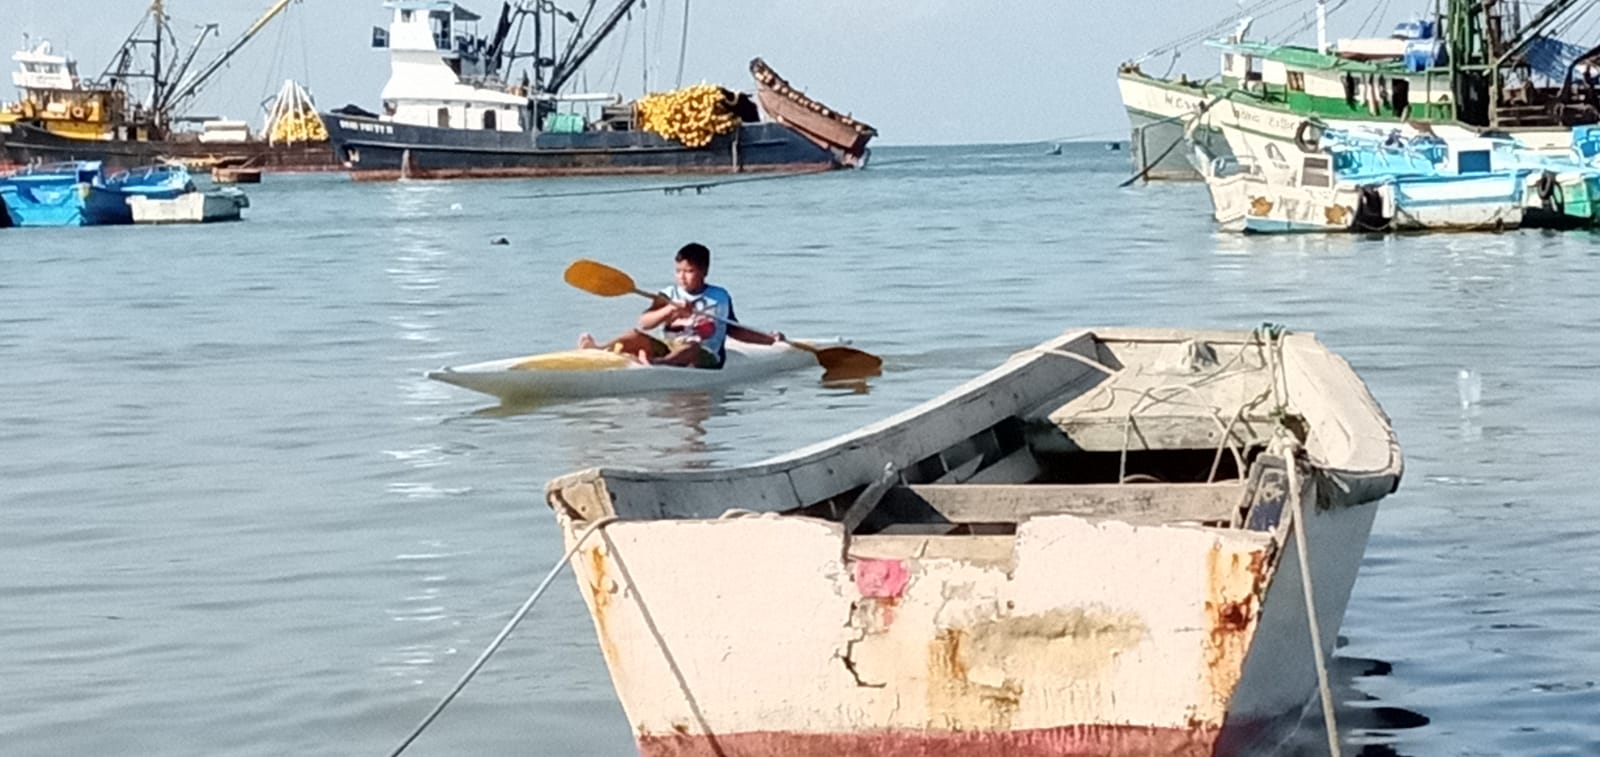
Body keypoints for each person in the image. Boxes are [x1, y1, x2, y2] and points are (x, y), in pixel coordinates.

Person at [577, 243, 780, 369]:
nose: (682, 277)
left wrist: (769, 340)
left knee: (692, 347)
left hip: (705, 356)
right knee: (633, 334)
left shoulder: (720, 296)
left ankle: (656, 365)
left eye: (689, 271)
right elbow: (645, 323)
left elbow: (735, 330)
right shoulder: (667, 295)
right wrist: (670, 310)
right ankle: (599, 350)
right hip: (670, 348)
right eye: (678, 271)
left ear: (704, 271)